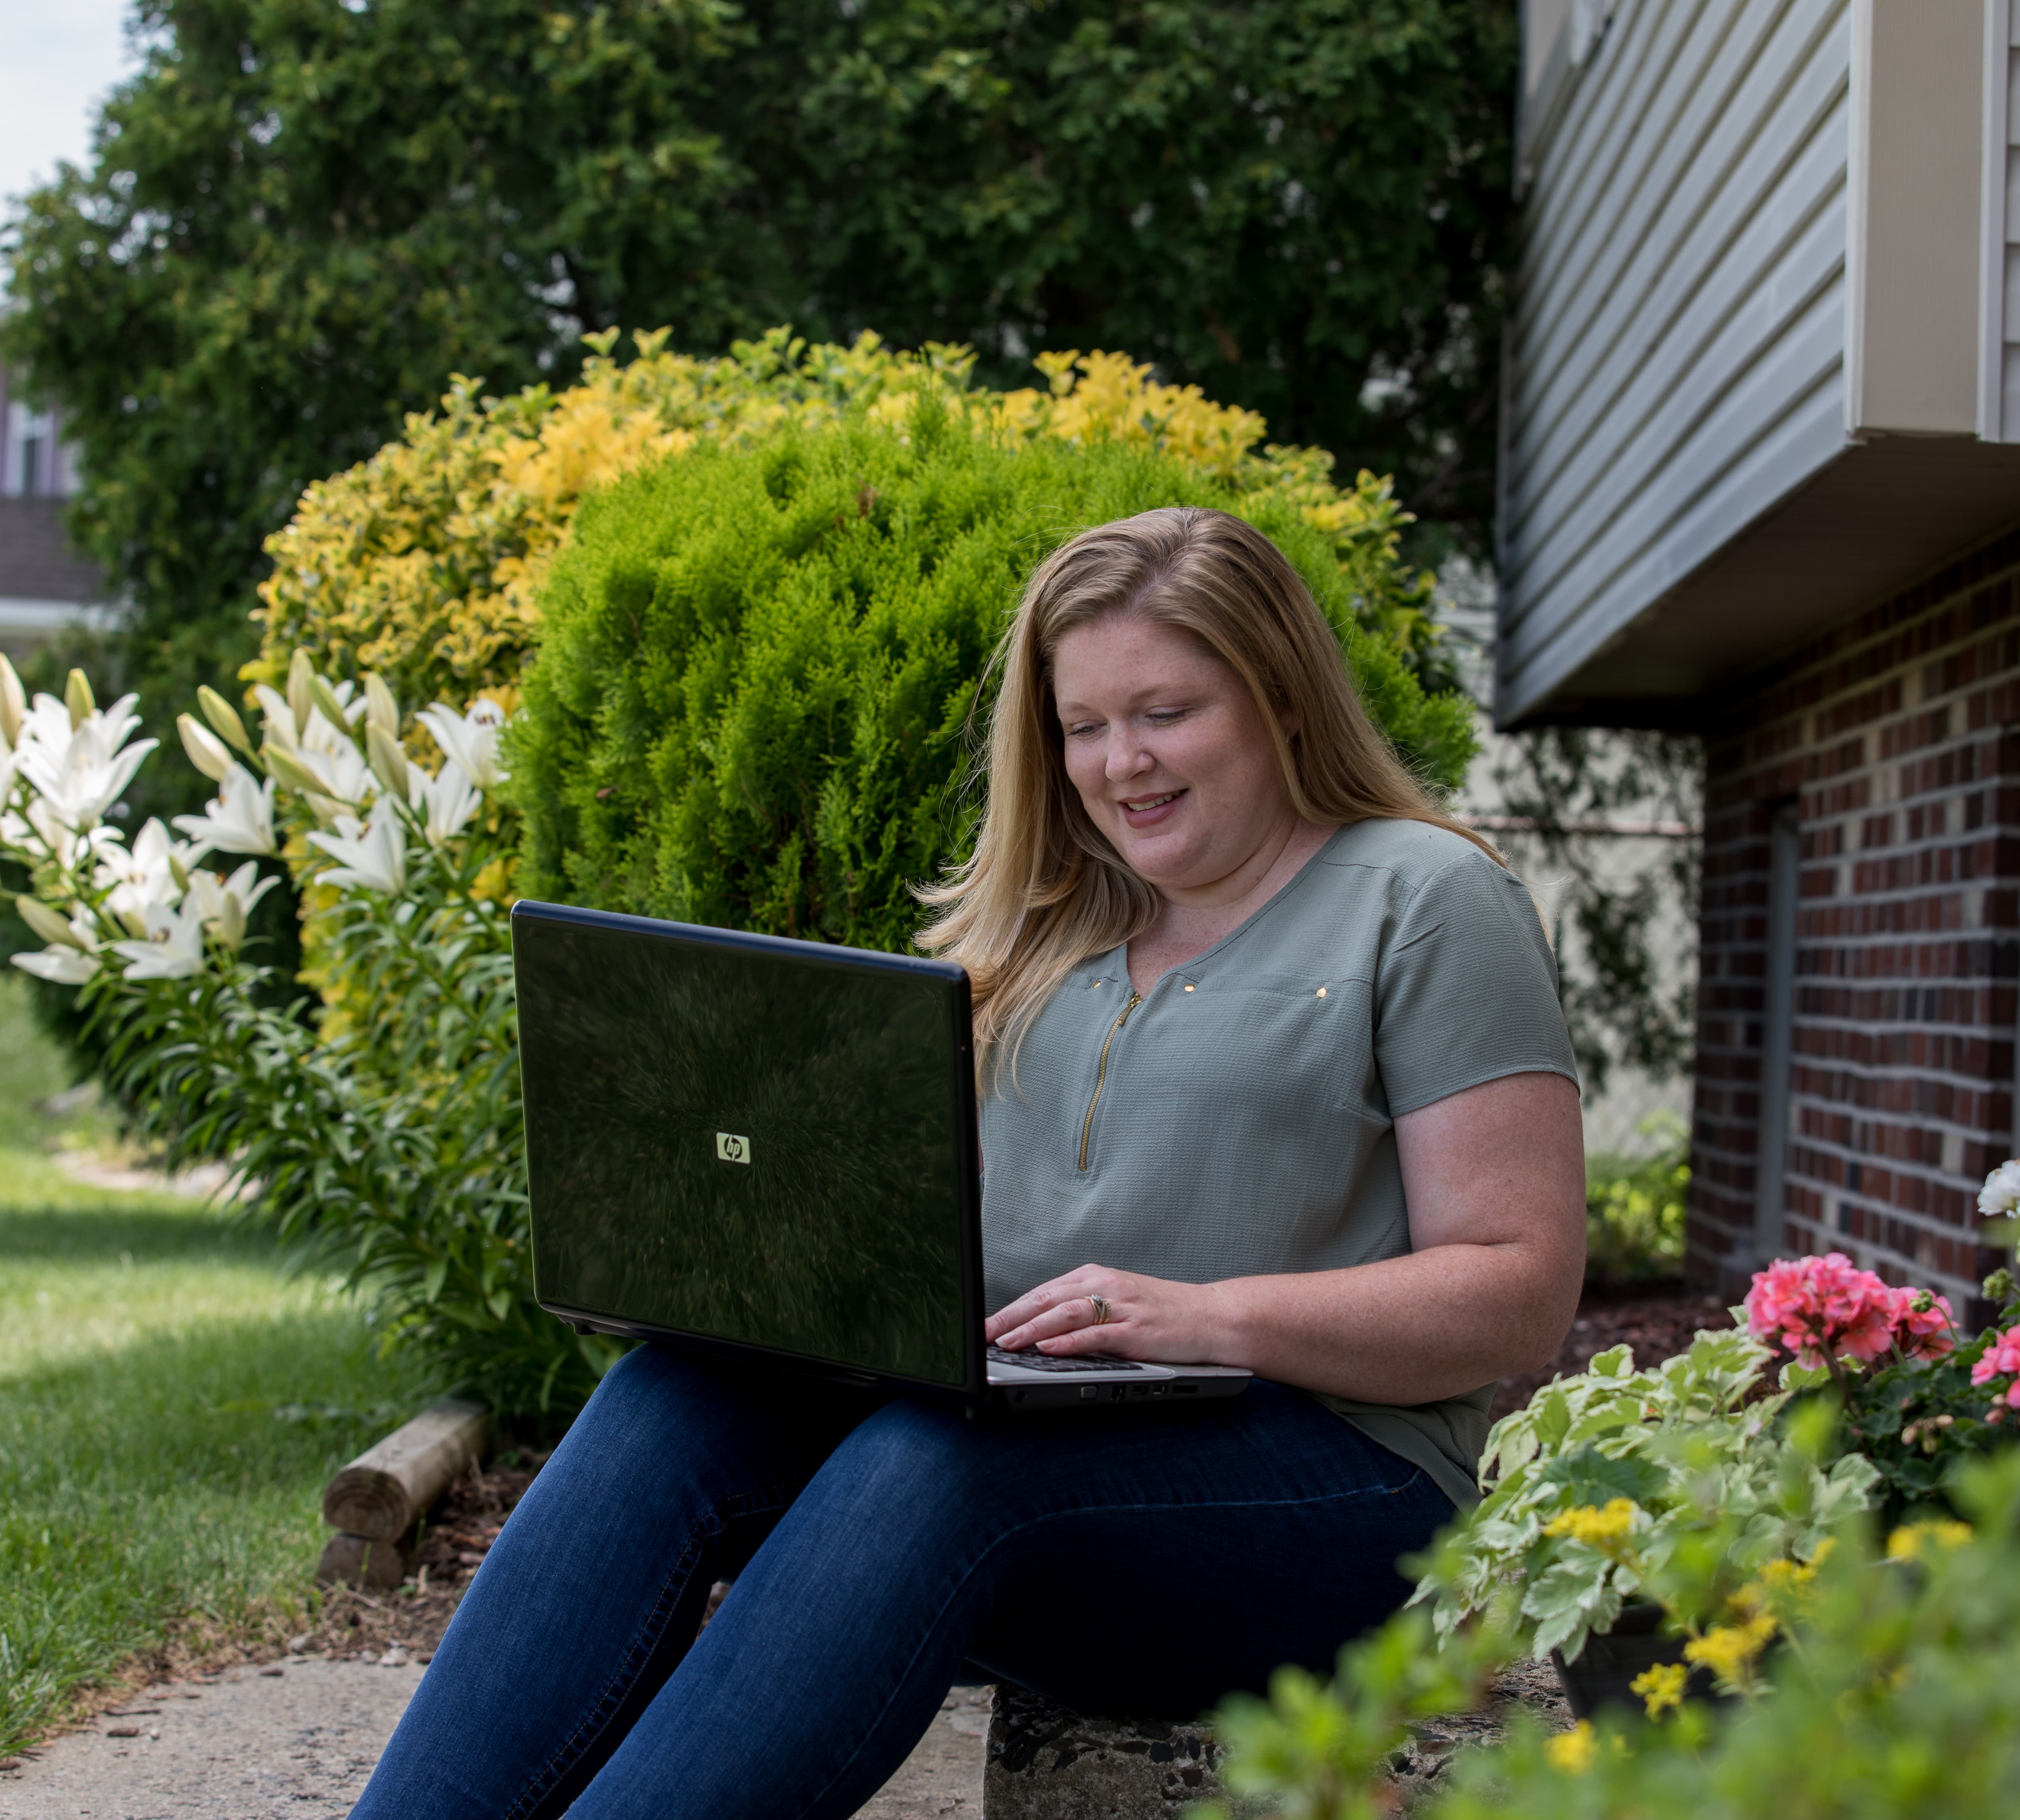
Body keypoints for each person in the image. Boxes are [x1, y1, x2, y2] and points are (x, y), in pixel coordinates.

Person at [350, 507, 1584, 1820]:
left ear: (1280, 697)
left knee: (942, 1468)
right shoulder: (1043, 925)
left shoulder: (1427, 896)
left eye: (1167, 712)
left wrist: (1207, 1317)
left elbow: (1515, 1291)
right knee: (679, 1402)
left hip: (1339, 1492)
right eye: (1084, 725)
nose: (1121, 764)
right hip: (1044, 1450)